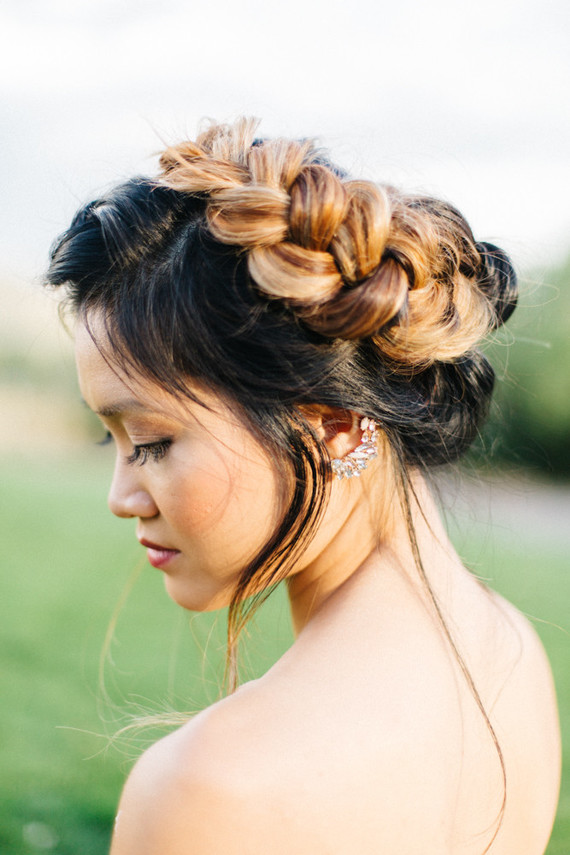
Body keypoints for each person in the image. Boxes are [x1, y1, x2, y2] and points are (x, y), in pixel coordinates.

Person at [46, 118, 560, 855]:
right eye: (112, 439)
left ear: (337, 426)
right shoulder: (511, 651)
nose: (121, 494)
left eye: (153, 441)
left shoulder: (213, 787)